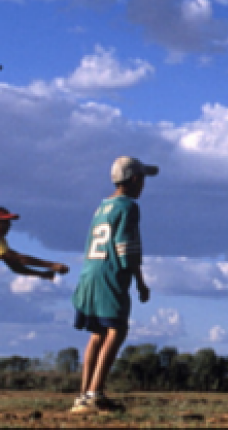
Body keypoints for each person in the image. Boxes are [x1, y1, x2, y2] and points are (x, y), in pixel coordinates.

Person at [70, 156, 158, 414]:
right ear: (134, 180)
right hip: (110, 274)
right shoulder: (128, 207)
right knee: (116, 331)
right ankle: (95, 394)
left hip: (89, 273)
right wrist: (140, 282)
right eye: (142, 179)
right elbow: (125, 248)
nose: (144, 185)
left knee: (97, 333)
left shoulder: (102, 207)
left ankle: (83, 394)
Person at [0, 206, 70, 280]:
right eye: (4, 222)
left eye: (8, 222)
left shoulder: (2, 241)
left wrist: (41, 274)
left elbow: (15, 265)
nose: (8, 225)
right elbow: (17, 258)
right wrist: (51, 265)